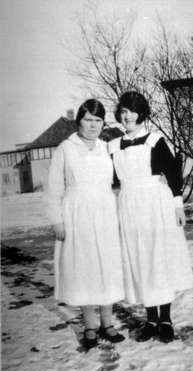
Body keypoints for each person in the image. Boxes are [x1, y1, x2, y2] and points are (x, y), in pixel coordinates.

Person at [109, 91, 193, 343]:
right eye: (123, 112)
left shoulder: (156, 140)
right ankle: (150, 319)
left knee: (159, 259)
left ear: (142, 113)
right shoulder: (113, 146)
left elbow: (173, 174)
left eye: (132, 111)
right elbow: (110, 181)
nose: (128, 116)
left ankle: (165, 318)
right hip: (129, 206)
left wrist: (178, 206)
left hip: (157, 205)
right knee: (140, 260)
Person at [47, 99, 125, 350]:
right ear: (79, 120)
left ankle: (107, 322)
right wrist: (57, 220)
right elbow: (53, 189)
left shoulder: (107, 147)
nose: (93, 125)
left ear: (104, 123)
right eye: (88, 119)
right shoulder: (65, 149)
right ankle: (90, 326)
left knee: (106, 266)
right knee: (85, 267)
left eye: (98, 120)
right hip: (76, 214)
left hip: (104, 213)